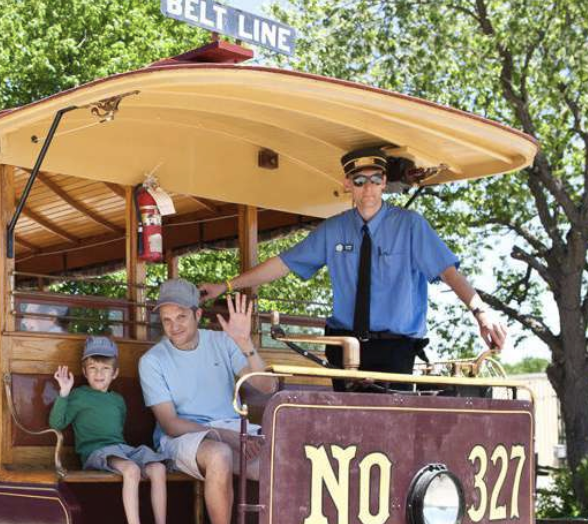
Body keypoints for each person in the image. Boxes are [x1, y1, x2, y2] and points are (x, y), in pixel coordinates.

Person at [201, 146, 508, 384]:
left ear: (385, 182)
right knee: (346, 432)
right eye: (360, 181)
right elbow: (283, 263)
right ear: (347, 183)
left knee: (390, 433)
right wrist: (225, 286)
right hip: (342, 344)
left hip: (395, 349)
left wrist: (481, 313)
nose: (368, 189)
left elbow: (449, 272)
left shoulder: (411, 226)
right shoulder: (333, 230)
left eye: (376, 180)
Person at [139, 279, 276, 524]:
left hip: (230, 427)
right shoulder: (152, 361)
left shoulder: (222, 342)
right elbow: (170, 423)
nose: (174, 326)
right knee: (220, 454)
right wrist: (225, 436)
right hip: (182, 437)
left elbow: (268, 388)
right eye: (166, 320)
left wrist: (244, 343)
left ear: (198, 315)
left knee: (283, 455)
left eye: (181, 317)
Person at [50, 336, 174, 524]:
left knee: (157, 468)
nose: (99, 373)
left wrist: (126, 452)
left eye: (105, 368)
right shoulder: (78, 395)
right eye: (93, 368)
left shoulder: (118, 400)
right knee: (131, 470)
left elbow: (119, 429)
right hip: (95, 452)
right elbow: (57, 423)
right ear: (84, 372)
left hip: (120, 448)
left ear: (114, 373)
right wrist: (64, 392)